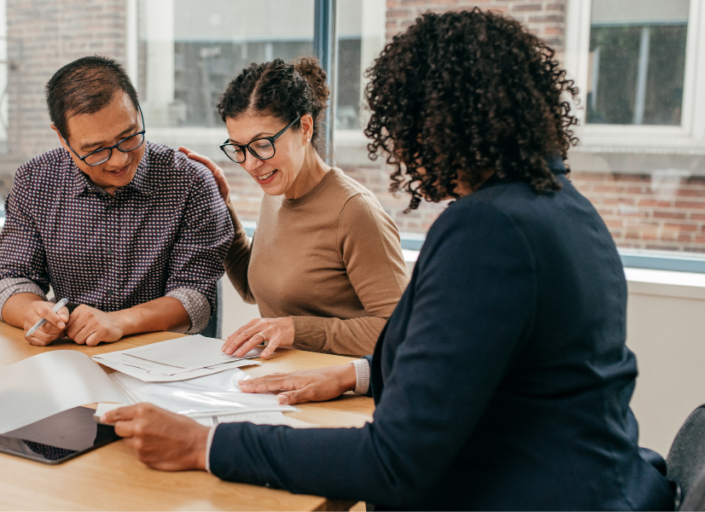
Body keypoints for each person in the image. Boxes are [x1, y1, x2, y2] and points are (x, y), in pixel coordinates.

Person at [103, 10, 676, 510]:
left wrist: (207, 445)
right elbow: (489, 367)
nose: (400, 147)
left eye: (403, 126)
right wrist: (356, 375)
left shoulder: (489, 229)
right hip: (597, 481)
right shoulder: (563, 209)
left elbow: (395, 460)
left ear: (439, 124)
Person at [0, 56, 233, 346]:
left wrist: (119, 321)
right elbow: (10, 280)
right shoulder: (35, 181)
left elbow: (195, 299)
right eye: (95, 150)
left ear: (138, 109)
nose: (119, 160)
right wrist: (31, 312)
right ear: (63, 139)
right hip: (76, 354)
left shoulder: (190, 182)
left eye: (129, 137)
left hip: (169, 357)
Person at [180, 57, 409, 358]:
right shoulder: (275, 194)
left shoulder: (354, 212)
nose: (250, 164)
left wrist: (295, 330)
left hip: (338, 395)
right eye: (239, 149)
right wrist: (222, 206)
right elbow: (254, 289)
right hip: (280, 381)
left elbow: (399, 332)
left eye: (263, 145)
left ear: (304, 128)